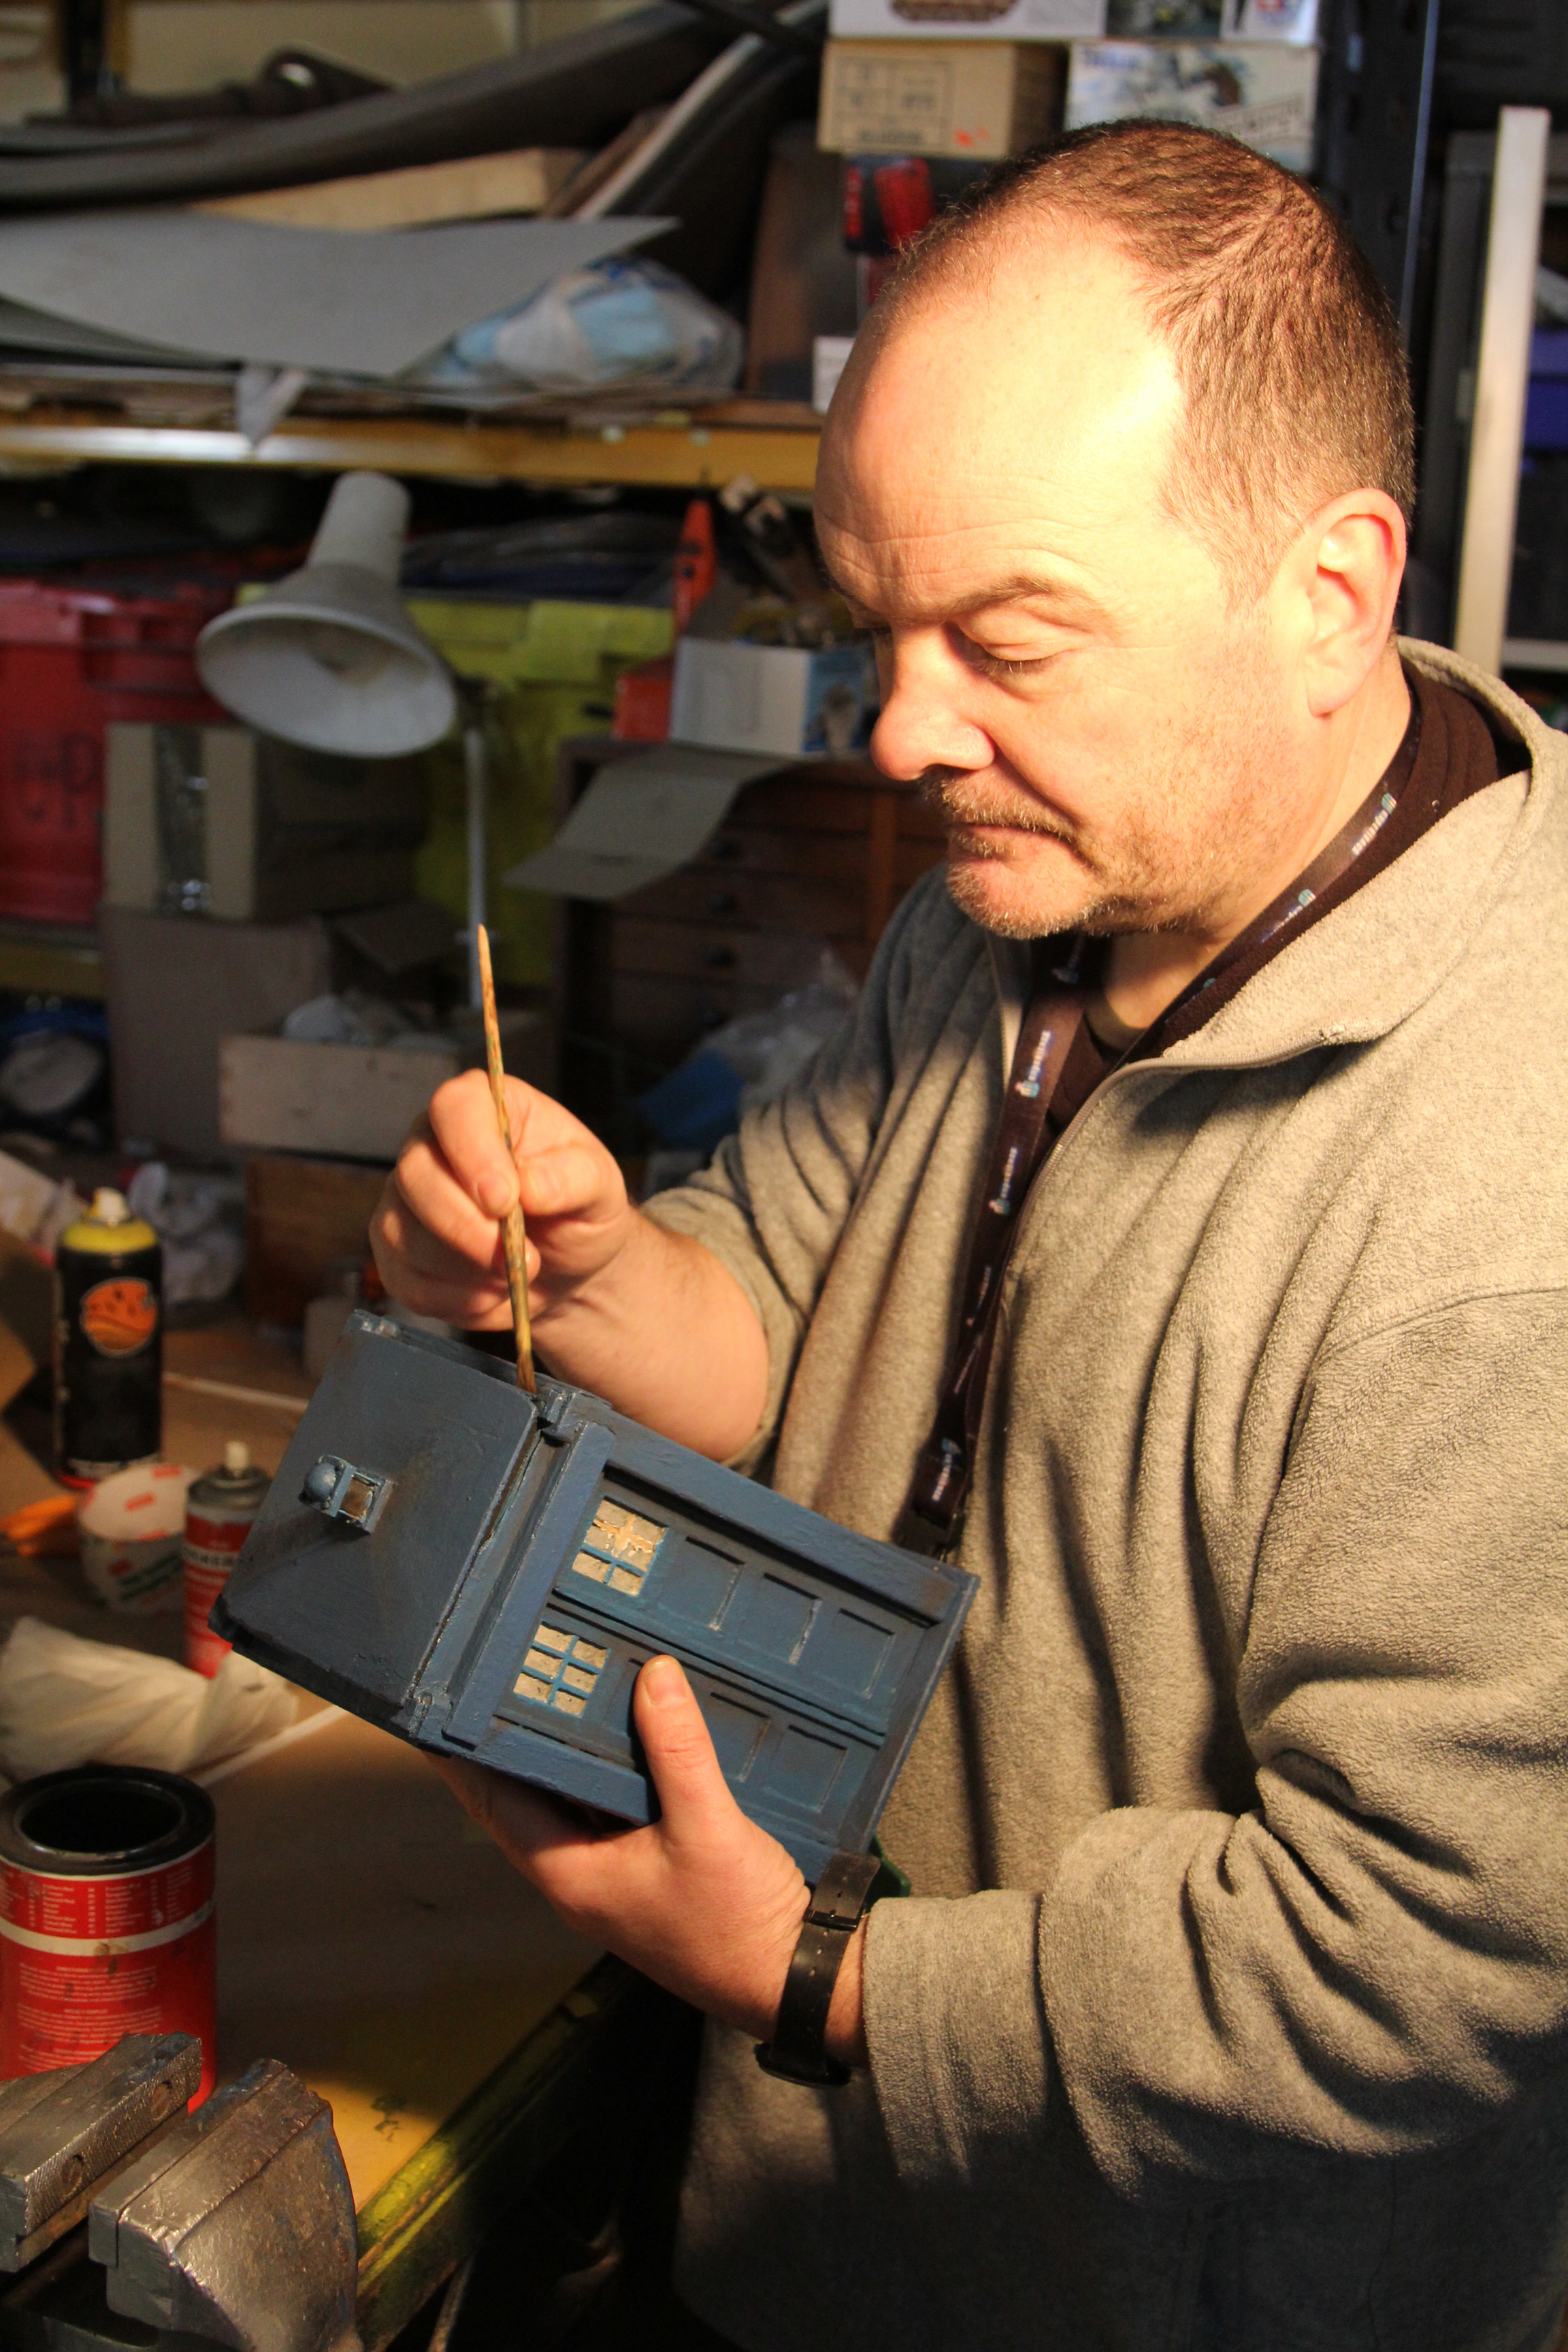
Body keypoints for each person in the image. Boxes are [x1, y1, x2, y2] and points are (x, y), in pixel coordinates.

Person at [373, 122, 1568, 2352]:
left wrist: (824, 1976)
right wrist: (588, 1261)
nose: (907, 732)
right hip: (814, 2235)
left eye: (1004, 640)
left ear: (1330, 594)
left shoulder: (1514, 1218)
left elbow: (1422, 1967)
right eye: (876, 627)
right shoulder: (1024, 907)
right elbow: (805, 1326)